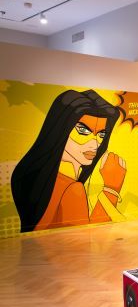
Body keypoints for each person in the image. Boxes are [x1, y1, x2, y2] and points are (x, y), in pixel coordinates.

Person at [11, 89, 126, 232]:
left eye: (101, 134)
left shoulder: (34, 175)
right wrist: (111, 188)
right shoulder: (72, 189)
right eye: (83, 131)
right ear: (61, 129)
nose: (95, 144)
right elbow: (89, 239)